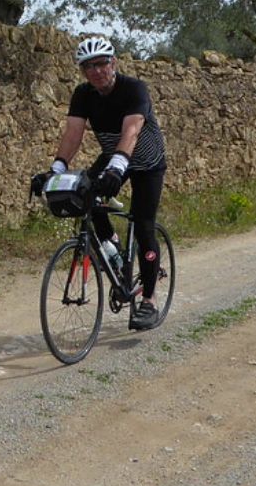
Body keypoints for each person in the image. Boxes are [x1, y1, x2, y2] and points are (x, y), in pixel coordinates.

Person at [34, 37, 168, 331]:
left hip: (146, 163)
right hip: (111, 157)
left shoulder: (134, 89)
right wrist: (55, 170)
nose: (95, 71)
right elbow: (73, 135)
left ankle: (149, 300)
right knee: (84, 198)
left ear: (114, 63)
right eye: (88, 67)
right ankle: (115, 250)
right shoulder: (83, 95)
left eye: (101, 64)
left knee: (144, 225)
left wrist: (117, 169)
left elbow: (131, 132)